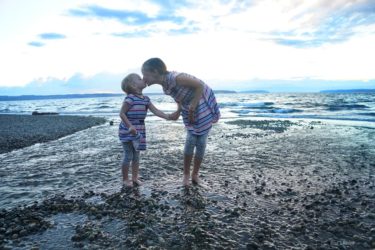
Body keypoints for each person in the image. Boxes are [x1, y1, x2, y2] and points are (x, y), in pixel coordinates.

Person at [142, 58, 220, 186]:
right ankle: (186, 175)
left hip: (202, 102)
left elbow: (199, 85)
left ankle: (195, 175)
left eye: (144, 74)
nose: (143, 78)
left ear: (155, 71)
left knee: (201, 142)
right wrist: (178, 111)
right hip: (188, 105)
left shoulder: (176, 78)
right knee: (190, 140)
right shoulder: (165, 86)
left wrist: (194, 105)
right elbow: (179, 98)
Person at [119, 73, 178, 187]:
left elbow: (156, 111)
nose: (143, 79)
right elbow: (122, 114)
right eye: (139, 79)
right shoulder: (130, 99)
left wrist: (168, 117)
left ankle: (135, 178)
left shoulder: (146, 99)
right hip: (127, 129)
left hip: (140, 130)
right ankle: (126, 179)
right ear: (133, 85)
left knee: (136, 155)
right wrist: (130, 126)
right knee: (128, 155)